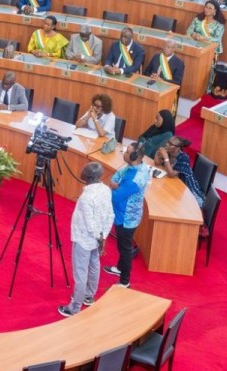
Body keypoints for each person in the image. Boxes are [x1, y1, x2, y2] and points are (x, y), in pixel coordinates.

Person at [62, 162, 114, 317]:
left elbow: (89, 223)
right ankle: (88, 295)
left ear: (87, 176)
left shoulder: (86, 197)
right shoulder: (106, 190)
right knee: (94, 267)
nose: (81, 170)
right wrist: (103, 237)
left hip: (84, 239)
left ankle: (74, 307)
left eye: (83, 169)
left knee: (81, 272)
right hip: (97, 238)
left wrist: (98, 236)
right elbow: (110, 214)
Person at [105, 142, 154, 287]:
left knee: (125, 249)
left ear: (134, 156)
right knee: (123, 245)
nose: (124, 154)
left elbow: (116, 196)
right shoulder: (134, 166)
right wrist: (115, 183)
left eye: (127, 153)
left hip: (127, 218)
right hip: (123, 213)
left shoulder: (136, 179)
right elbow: (118, 174)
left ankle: (125, 281)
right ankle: (119, 268)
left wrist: (115, 186)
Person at [154, 135, 202, 200]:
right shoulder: (168, 152)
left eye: (171, 144)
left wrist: (166, 158)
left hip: (186, 187)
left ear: (178, 148)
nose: (167, 145)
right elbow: (157, 163)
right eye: (168, 142)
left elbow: (171, 174)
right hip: (172, 182)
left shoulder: (183, 157)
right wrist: (158, 153)